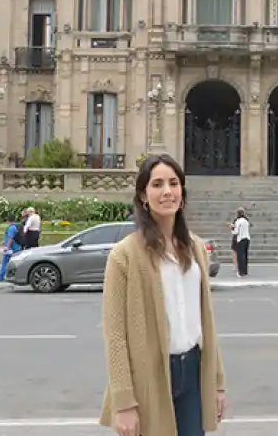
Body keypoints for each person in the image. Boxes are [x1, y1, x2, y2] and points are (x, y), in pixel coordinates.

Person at [100, 153, 227, 436]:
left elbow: (206, 321)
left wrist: (217, 382)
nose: (167, 192)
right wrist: (123, 403)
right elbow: (115, 335)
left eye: (173, 183)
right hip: (151, 374)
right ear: (144, 196)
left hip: (193, 370)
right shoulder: (124, 256)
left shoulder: (194, 248)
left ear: (182, 192)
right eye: (157, 184)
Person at [0, 213, 22, 283]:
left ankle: (0, 277)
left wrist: (7, 247)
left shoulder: (11, 228)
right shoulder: (15, 226)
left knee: (5, 263)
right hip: (15, 248)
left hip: (10, 249)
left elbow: (11, 238)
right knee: (13, 263)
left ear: (8, 220)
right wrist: (4, 241)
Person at [229, 207, 251, 277]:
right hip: (247, 239)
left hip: (240, 239)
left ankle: (240, 272)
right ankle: (245, 271)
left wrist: (232, 228)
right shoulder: (246, 221)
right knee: (245, 255)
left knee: (240, 256)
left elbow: (236, 232)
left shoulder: (238, 221)